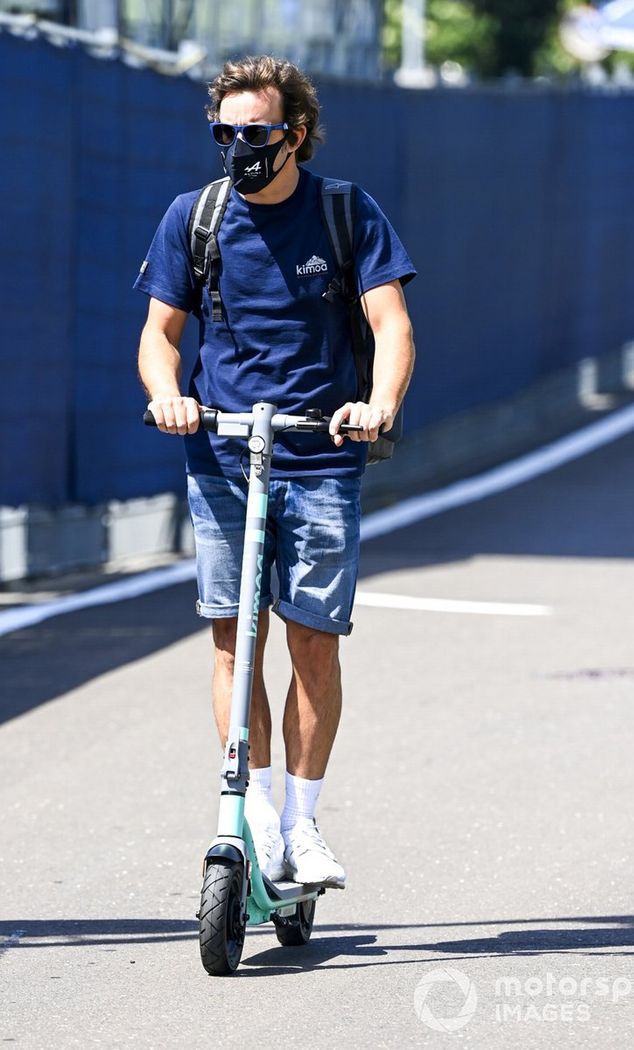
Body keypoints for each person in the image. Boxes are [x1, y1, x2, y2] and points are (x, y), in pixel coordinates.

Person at [135, 55, 416, 888]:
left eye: (255, 134)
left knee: (313, 644)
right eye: (224, 134)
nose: (239, 149)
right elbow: (160, 335)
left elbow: (391, 324)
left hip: (320, 455)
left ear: (295, 133)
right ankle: (254, 808)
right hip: (223, 455)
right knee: (233, 637)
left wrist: (377, 404)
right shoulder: (195, 216)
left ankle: (302, 822)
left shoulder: (344, 212)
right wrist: (167, 396)